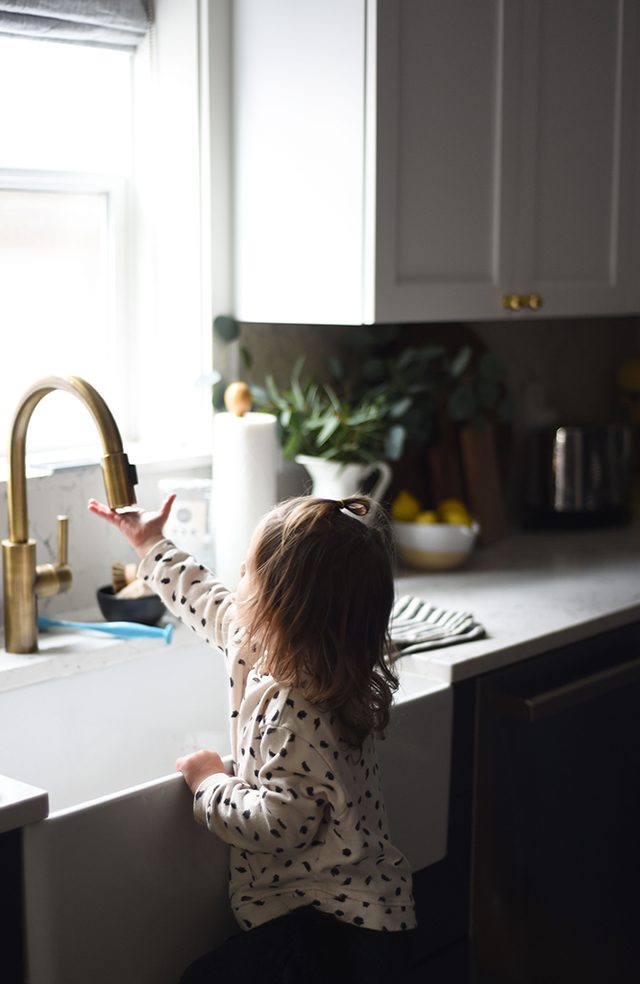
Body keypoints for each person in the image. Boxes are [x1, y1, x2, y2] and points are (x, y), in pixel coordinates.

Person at [88, 492, 417, 983]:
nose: (235, 577)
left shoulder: (294, 708)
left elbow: (278, 828)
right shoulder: (285, 646)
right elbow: (207, 600)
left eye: (246, 572)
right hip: (351, 912)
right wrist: (150, 542)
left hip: (336, 933)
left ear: (278, 606)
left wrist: (210, 784)